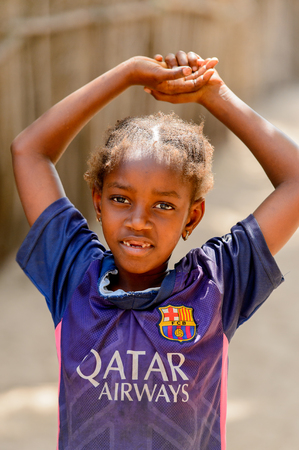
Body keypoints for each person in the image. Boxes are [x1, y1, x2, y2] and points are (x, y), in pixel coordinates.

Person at [11, 50, 299, 450]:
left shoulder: (216, 285)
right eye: (121, 199)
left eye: (164, 206)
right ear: (97, 202)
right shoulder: (74, 274)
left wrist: (213, 95)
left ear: (192, 217)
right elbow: (28, 150)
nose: (139, 221)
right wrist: (125, 73)